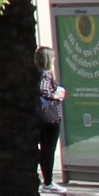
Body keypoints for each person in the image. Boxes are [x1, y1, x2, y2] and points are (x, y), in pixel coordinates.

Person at [35, 45, 66, 187]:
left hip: (39, 116)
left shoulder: (35, 73)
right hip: (49, 117)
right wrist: (56, 95)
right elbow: (43, 90)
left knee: (43, 149)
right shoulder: (46, 74)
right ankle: (48, 181)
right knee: (49, 150)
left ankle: (45, 179)